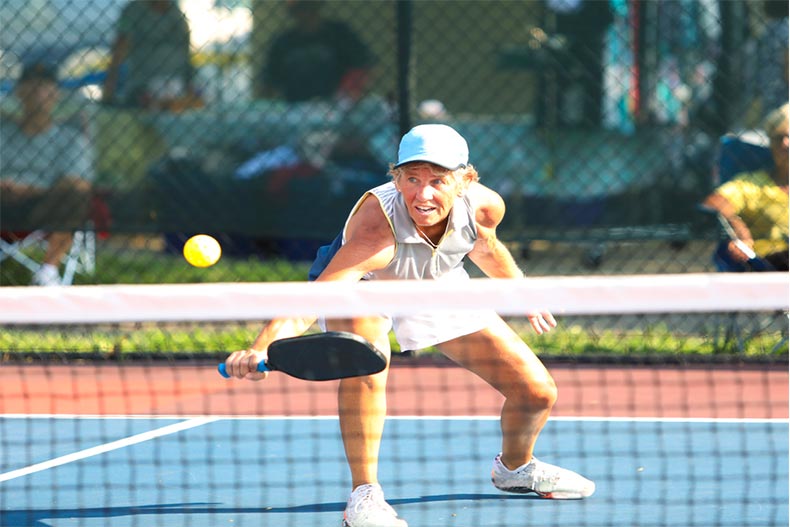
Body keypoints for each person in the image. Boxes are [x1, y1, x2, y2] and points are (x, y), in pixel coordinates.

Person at [224, 124, 595, 527]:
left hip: (437, 282)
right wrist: (262, 346)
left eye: (438, 180)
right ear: (396, 176)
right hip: (364, 290)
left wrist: (520, 289)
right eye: (412, 179)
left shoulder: (485, 206)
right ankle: (363, 496)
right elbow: (317, 298)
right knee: (367, 365)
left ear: (465, 180)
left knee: (536, 392)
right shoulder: (376, 228)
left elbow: (484, 245)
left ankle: (515, 469)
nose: (423, 194)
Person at [0, 62, 95, 285]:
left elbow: (78, 182)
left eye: (44, 86)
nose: (38, 92)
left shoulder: (71, 137)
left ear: (56, 94)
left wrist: (31, 191)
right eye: (31, 85)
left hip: (44, 206)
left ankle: (47, 273)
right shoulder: (2, 134)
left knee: (75, 195)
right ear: (19, 92)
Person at [702, 103, 789, 271]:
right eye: (778, 138)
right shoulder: (750, 184)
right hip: (767, 267)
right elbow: (714, 202)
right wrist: (738, 229)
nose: (785, 143)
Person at [256, 0, 373, 103]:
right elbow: (268, 82)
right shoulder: (283, 42)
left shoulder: (338, 33)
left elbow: (363, 64)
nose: (305, 13)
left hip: (335, 106)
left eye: (307, 7)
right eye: (299, 9)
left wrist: (350, 93)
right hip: (295, 108)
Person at [102, 0, 197, 110]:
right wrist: (109, 90)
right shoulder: (133, 10)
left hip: (178, 82)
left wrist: (190, 83)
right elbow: (120, 48)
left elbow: (186, 49)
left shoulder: (175, 11)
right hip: (144, 84)